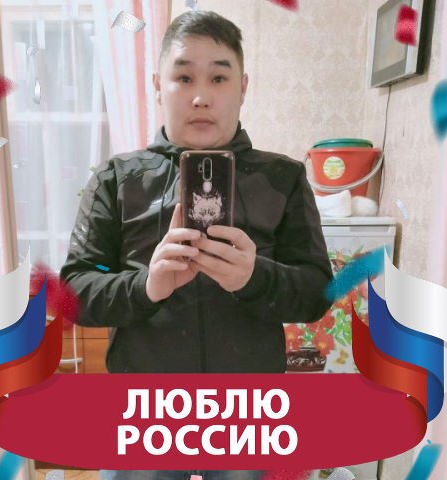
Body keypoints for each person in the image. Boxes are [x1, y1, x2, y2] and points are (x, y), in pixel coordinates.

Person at [60, 10, 333, 480]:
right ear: (157, 85)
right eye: (183, 77)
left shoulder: (283, 178)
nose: (201, 96)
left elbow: (316, 293)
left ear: (243, 87)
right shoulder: (116, 180)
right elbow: (75, 291)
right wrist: (147, 286)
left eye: (219, 77)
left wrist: (254, 278)